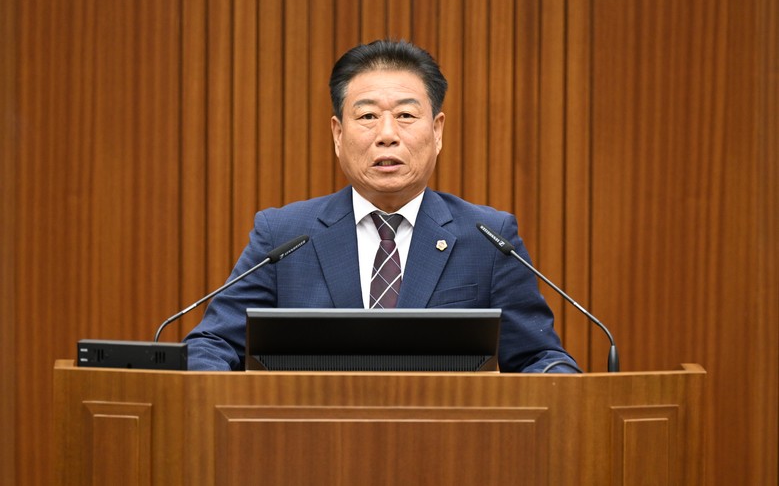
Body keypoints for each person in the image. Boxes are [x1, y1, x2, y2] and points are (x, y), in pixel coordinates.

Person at [184, 39, 579, 373]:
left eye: (405, 115)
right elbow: (213, 343)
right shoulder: (284, 236)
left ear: (437, 131)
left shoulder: (488, 239)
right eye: (368, 116)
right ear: (338, 134)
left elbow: (539, 358)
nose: (387, 134)